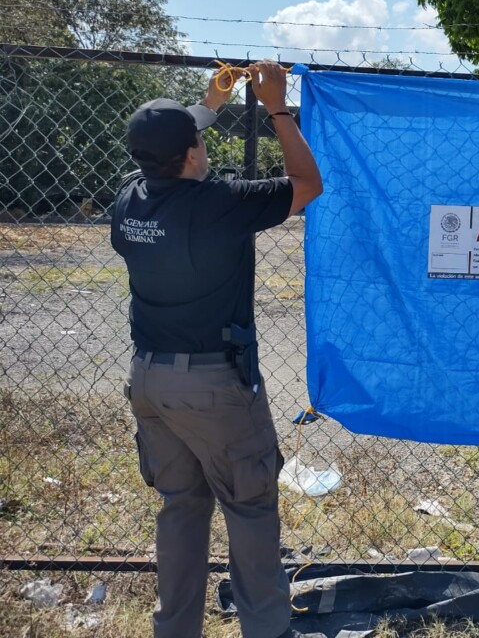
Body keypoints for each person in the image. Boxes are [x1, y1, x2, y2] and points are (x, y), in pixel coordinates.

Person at [111, 61, 322, 638]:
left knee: (181, 507)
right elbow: (307, 184)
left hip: (149, 381)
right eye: (198, 139)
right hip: (214, 388)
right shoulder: (218, 203)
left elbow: (163, 158)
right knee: (249, 508)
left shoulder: (129, 202)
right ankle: (268, 630)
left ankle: (175, 629)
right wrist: (276, 107)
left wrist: (207, 106)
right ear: (191, 153)